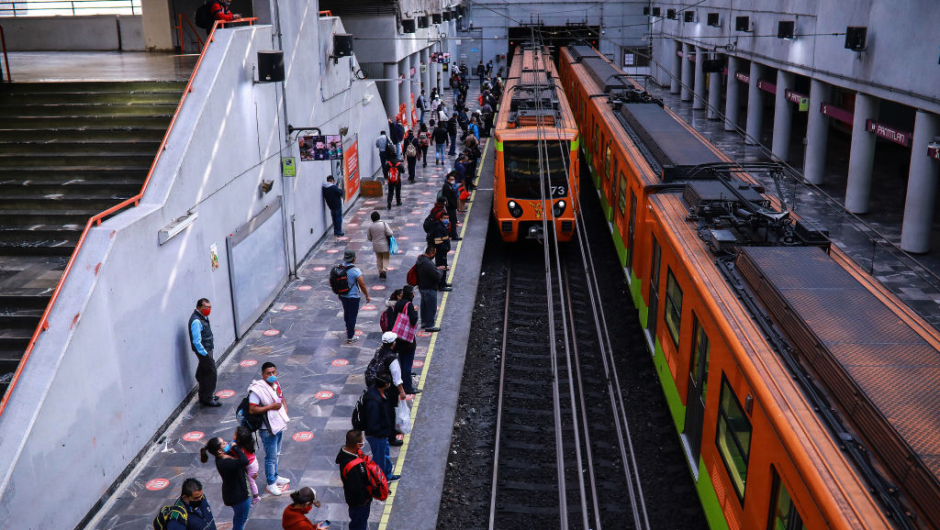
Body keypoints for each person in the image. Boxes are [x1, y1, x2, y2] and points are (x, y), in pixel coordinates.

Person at [248, 362, 291, 496]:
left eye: (273, 372)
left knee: (277, 453)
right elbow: (252, 409)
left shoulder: (276, 384)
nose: (271, 375)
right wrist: (271, 407)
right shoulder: (257, 390)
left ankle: (275, 476)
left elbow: (281, 397)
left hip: (278, 424)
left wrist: (285, 409)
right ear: (263, 374)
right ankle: (271, 482)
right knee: (271, 457)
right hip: (267, 428)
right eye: (268, 373)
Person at [200, 437, 250, 530]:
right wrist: (235, 447)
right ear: (219, 451)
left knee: (238, 518)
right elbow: (244, 461)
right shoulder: (224, 463)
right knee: (241, 520)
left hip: (234, 493)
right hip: (238, 496)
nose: (226, 443)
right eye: (223, 443)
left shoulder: (223, 456)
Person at [363, 375, 399, 480]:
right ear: (385, 385)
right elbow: (373, 422)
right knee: (379, 460)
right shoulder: (373, 401)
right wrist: (381, 433)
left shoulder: (379, 393)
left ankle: (387, 475)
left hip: (383, 434)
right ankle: (380, 482)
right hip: (377, 435)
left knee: (385, 456)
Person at [335, 430, 372, 530]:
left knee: (358, 522)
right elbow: (356, 488)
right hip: (359, 503)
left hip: (355, 500)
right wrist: (365, 500)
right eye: (361, 442)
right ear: (357, 445)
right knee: (359, 523)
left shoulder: (347, 454)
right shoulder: (352, 467)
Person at [188, 298, 220, 407]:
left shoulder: (202, 317)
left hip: (207, 349)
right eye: (206, 307)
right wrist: (205, 354)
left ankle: (204, 395)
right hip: (204, 351)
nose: (208, 309)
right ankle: (208, 398)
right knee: (211, 373)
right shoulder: (196, 321)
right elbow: (196, 341)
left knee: (202, 373)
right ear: (199, 307)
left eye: (209, 307)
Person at [337, 249, 371, 343]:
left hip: (343, 295)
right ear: (354, 258)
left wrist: (339, 292)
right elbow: (362, 284)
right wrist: (367, 295)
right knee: (352, 316)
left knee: (347, 312)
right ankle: (350, 336)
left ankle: (348, 328)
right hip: (353, 297)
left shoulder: (339, 267)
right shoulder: (356, 271)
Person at [392, 286, 421, 395]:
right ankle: (407, 387)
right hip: (407, 339)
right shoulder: (409, 305)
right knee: (407, 364)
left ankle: (401, 383)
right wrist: (415, 311)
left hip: (398, 337)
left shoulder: (398, 303)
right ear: (412, 294)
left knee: (402, 362)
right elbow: (413, 321)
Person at [415, 246, 449, 332]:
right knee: (431, 307)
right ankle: (430, 325)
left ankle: (424, 322)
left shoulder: (421, 260)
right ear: (430, 253)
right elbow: (436, 276)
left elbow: (429, 271)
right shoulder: (427, 263)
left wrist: (436, 269)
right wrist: (440, 271)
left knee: (424, 306)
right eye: (434, 253)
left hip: (422, 286)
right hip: (429, 288)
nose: (434, 255)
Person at [234, 427, 261, 507]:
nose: (233, 435)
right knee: (251, 479)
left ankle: (256, 498)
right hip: (253, 463)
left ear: (239, 439)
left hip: (251, 465)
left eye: (235, 434)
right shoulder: (246, 444)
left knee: (252, 482)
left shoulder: (240, 449)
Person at [366, 211, 393, 279]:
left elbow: (369, 237)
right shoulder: (383, 224)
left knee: (379, 258)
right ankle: (384, 270)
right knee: (386, 257)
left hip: (376, 246)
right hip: (384, 245)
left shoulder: (370, 226)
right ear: (379, 217)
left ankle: (380, 271)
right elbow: (390, 233)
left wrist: (374, 240)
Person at [441, 173, 460, 240]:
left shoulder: (449, 185)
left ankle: (451, 233)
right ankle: (454, 236)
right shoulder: (446, 186)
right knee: (453, 221)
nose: (453, 180)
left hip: (451, 206)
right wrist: (454, 205)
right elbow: (449, 198)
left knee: (452, 220)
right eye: (452, 179)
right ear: (448, 179)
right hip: (451, 206)